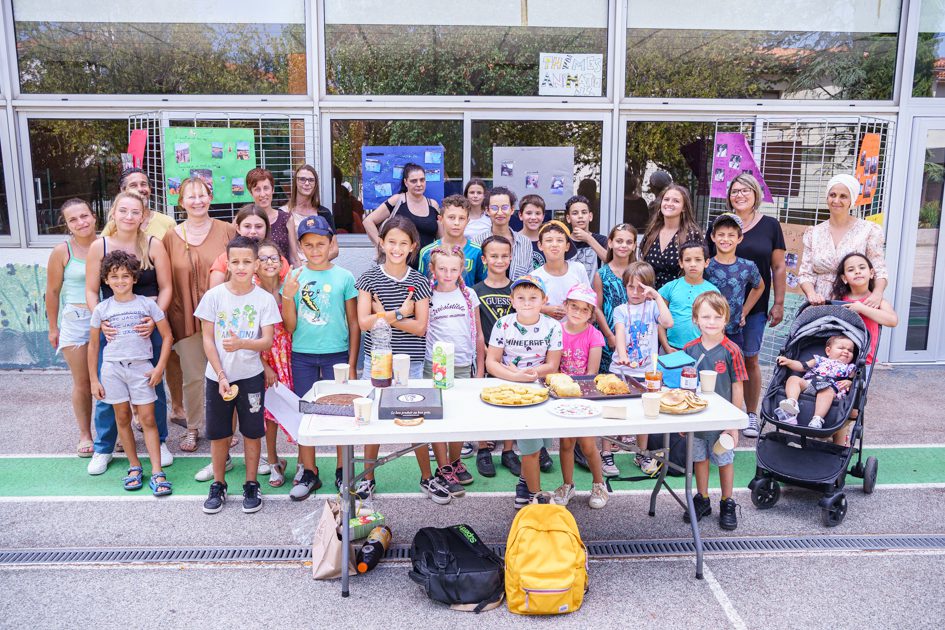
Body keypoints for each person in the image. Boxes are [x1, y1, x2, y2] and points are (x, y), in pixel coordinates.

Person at [84, 191, 173, 476]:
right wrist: (102, 318)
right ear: (114, 213)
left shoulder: (153, 244)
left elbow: (166, 287)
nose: (129, 217)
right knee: (109, 386)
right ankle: (103, 447)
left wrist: (153, 317)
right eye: (123, 211)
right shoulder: (101, 246)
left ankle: (159, 441)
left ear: (143, 215)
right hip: (113, 326)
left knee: (152, 384)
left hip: (148, 321)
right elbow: (90, 289)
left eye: (135, 212)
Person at [355, 216, 442, 501]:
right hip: (377, 360)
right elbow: (364, 323)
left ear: (413, 247)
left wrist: (385, 317)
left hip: (411, 361)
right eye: (391, 241)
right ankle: (367, 478)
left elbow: (420, 327)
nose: (396, 248)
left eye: (403, 243)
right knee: (373, 419)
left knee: (415, 417)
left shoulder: (418, 281)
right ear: (381, 242)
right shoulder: (369, 278)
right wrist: (400, 313)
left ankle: (427, 477)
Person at [195, 236, 281, 515]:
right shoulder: (214, 296)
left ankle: (251, 484)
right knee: (219, 434)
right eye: (235, 262)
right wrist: (220, 375)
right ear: (227, 263)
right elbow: (207, 340)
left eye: (247, 261)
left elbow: (267, 341)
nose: (241, 267)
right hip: (217, 376)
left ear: (257, 264)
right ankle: (219, 484)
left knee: (252, 433)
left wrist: (243, 344)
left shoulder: (264, 299)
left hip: (251, 376)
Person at [283, 216, 361, 497]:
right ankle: (309, 471)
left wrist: (352, 363)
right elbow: (290, 326)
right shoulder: (293, 277)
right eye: (308, 245)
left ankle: (343, 470)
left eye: (321, 244)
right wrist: (286, 296)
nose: (315, 250)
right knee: (305, 413)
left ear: (331, 244)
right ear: (301, 247)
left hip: (336, 355)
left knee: (341, 412)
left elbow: (354, 322)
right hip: (302, 354)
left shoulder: (344, 277)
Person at [707, 174, 786, 438]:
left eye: (745, 190)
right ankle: (718, 410)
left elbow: (778, 267)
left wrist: (779, 302)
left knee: (749, 357)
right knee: (716, 360)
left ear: (756, 194)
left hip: (753, 307)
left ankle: (750, 413)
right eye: (734, 191)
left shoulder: (770, 226)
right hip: (718, 312)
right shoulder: (721, 226)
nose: (739, 195)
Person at [163, 177, 237, 453]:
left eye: (202, 195)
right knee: (193, 376)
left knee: (227, 372)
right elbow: (165, 279)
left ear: (210, 197)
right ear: (181, 202)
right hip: (186, 316)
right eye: (191, 196)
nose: (197, 201)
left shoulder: (227, 231)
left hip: (224, 317)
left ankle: (226, 428)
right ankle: (193, 427)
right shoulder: (171, 237)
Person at [109, 168, 186, 428]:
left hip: (157, 309)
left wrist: (157, 314)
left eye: (144, 183)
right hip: (121, 315)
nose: (141, 187)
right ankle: (133, 418)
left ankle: (176, 408)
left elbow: (171, 269)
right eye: (134, 184)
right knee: (127, 368)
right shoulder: (111, 230)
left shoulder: (166, 223)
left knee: (168, 359)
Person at [485, 274, 562, 508]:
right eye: (521, 297)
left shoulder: (553, 326)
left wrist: (530, 374)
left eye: (533, 297)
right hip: (512, 391)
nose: (527, 302)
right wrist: (516, 377)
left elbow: (552, 365)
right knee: (529, 449)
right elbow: (492, 362)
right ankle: (536, 496)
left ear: (544, 299)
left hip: (541, 390)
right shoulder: (503, 324)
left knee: (540, 447)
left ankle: (522, 483)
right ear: (512, 300)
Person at [423, 246, 484, 498]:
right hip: (436, 365)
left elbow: (479, 334)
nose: (448, 274)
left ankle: (456, 460)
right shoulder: (428, 296)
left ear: (462, 269)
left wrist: (480, 368)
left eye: (453, 269)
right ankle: (443, 466)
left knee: (460, 417)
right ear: (433, 269)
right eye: (442, 269)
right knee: (439, 417)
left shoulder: (468, 295)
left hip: (462, 363)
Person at [682, 292, 747, 531]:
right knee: (699, 458)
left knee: (724, 459)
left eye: (717, 316)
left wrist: (734, 421)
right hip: (698, 418)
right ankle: (702, 499)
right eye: (705, 316)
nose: (711, 321)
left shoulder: (732, 351)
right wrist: (683, 418)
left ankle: (727, 502)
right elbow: (683, 386)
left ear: (726, 319)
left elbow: (738, 385)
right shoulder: (689, 349)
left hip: (722, 421)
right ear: (695, 319)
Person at [610, 261, 673, 476]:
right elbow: (619, 333)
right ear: (624, 286)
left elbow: (668, 322)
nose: (635, 292)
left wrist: (656, 296)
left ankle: (641, 453)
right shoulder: (620, 310)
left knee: (646, 415)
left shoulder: (654, 307)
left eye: (640, 288)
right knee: (615, 413)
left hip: (647, 372)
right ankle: (607, 454)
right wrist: (624, 356)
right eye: (630, 287)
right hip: (621, 370)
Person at [45, 199, 97, 457]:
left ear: (94, 216)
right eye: (73, 220)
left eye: (84, 216)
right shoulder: (61, 251)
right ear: (67, 225)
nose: (81, 222)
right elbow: (52, 292)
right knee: (82, 382)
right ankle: (85, 434)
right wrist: (53, 328)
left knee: (112, 377)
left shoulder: (107, 244)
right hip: (75, 320)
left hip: (105, 317)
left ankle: (120, 432)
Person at [831, 252, 898, 445]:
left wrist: (862, 308)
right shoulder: (840, 299)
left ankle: (840, 441)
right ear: (844, 278)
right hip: (839, 360)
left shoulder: (876, 301)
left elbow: (892, 320)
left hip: (863, 362)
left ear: (871, 273)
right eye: (851, 270)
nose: (857, 272)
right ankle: (834, 437)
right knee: (836, 398)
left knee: (852, 405)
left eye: (862, 268)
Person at [553, 284, 609, 510]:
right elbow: (553, 367)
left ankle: (599, 484)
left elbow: (591, 374)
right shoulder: (556, 330)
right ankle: (568, 484)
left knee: (587, 445)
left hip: (585, 398)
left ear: (591, 314)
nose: (577, 312)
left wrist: (576, 396)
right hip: (561, 398)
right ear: (565, 306)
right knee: (565, 444)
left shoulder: (594, 335)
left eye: (584, 309)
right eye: (573, 306)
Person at [471, 235, 520, 478]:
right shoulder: (475, 291)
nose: (499, 260)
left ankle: (509, 451)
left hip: (514, 358)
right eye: (493, 256)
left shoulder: (518, 290)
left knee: (511, 404)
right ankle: (482, 448)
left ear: (511, 258)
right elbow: (476, 330)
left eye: (504, 256)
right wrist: (489, 355)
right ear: (484, 259)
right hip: (486, 355)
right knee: (484, 403)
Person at [799, 174, 888, 307]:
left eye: (843, 196)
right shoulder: (814, 233)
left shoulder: (868, 230)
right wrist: (811, 294)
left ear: (851, 200)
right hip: (819, 304)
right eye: (833, 195)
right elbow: (805, 273)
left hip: (856, 304)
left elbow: (879, 269)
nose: (836, 200)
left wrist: (877, 294)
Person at [254, 240, 293, 489]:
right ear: (255, 264)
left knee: (292, 409)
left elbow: (291, 326)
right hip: (264, 356)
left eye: (274, 258)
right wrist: (265, 366)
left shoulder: (288, 287)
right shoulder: (252, 292)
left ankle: (304, 463)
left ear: (282, 263)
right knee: (268, 415)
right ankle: (273, 461)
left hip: (289, 354)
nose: (269, 262)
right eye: (264, 258)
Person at [705, 213, 765, 349]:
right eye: (721, 234)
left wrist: (745, 311)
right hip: (706, 330)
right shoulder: (705, 266)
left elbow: (759, 286)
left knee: (732, 367)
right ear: (713, 237)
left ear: (740, 238)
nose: (725, 239)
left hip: (733, 332)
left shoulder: (748, 266)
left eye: (731, 235)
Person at [776, 335, 857, 430]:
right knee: (793, 379)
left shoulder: (850, 367)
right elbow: (802, 366)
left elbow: (855, 380)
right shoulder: (819, 360)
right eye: (841, 348)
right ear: (828, 351)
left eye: (850, 350)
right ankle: (792, 403)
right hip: (809, 384)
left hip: (830, 388)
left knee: (827, 392)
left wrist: (849, 382)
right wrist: (789, 361)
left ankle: (817, 419)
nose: (846, 351)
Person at [363, 163, 440, 254]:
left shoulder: (433, 205)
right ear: (405, 182)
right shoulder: (397, 201)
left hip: (426, 265)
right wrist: (382, 247)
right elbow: (368, 221)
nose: (419, 184)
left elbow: (440, 239)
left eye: (422, 180)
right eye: (414, 181)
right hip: (398, 265)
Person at [658, 241, 719, 352]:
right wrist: (666, 346)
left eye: (698, 259)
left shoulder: (713, 291)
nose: (693, 264)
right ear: (681, 263)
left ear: (706, 262)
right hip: (671, 347)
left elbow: (717, 324)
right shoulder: (670, 287)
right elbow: (660, 320)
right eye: (687, 260)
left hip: (701, 349)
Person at [208, 205, 289, 289]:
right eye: (247, 226)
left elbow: (287, 294)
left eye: (258, 226)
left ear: (267, 228)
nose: (253, 232)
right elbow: (214, 298)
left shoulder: (277, 261)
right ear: (238, 228)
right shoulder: (224, 259)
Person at [640, 184, 703, 290]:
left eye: (676, 201)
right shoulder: (652, 232)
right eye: (666, 199)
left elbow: (698, 271)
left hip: (677, 298)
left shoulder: (692, 235)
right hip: (650, 297)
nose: (669, 203)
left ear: (684, 208)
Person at [417, 195, 487, 288]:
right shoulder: (427, 252)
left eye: (461, 218)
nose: (456, 223)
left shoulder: (477, 251)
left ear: (467, 221)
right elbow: (421, 287)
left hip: (468, 301)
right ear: (441, 219)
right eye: (451, 217)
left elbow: (482, 285)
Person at [596, 223, 638, 372]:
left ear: (634, 246)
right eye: (619, 241)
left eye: (629, 242)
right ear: (610, 243)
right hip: (609, 335)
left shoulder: (640, 272)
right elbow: (597, 308)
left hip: (635, 335)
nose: (624, 245)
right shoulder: (601, 274)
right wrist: (609, 335)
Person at [470, 187, 534, 280]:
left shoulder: (525, 243)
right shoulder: (477, 242)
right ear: (487, 211)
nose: (500, 213)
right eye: (494, 208)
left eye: (504, 207)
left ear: (512, 209)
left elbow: (529, 278)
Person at [283, 165, 340, 261]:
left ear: (315, 184)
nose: (306, 183)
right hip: (294, 271)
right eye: (302, 179)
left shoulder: (324, 213)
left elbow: (334, 250)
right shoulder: (284, 213)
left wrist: (313, 265)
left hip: (319, 269)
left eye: (311, 180)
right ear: (295, 182)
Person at [247, 167, 299, 266]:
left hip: (283, 277)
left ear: (273, 189)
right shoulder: (245, 220)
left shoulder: (286, 219)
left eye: (266, 188)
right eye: (257, 189)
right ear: (251, 192)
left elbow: (294, 257)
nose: (262, 194)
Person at [564, 195, 608, 279]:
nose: (580, 216)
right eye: (575, 213)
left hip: (593, 290)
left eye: (584, 212)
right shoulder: (565, 241)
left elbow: (609, 260)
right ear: (568, 218)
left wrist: (588, 239)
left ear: (590, 216)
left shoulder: (601, 239)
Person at [518, 194, 549, 268]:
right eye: (529, 213)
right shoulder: (514, 240)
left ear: (543, 216)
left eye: (538, 213)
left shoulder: (548, 241)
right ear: (520, 215)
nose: (533, 217)